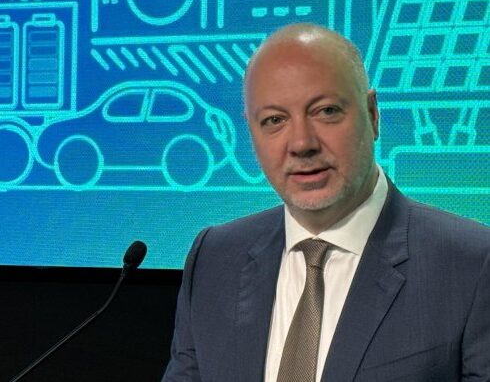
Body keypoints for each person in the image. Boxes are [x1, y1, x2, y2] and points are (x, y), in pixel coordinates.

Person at [162, 23, 490, 381]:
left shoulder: (472, 264)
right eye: (274, 120)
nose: (302, 143)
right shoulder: (214, 258)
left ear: (372, 114)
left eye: (326, 111)